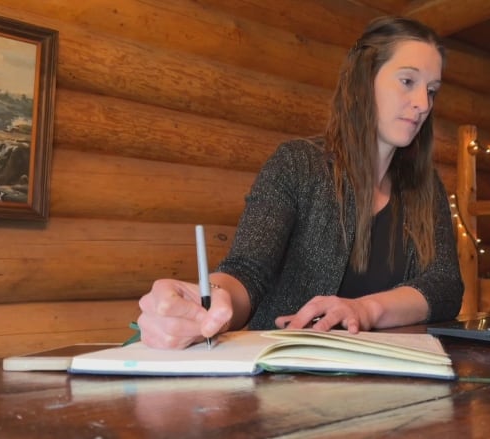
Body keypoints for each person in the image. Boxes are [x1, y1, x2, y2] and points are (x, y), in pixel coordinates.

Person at [137, 16, 464, 349]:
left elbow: (444, 286)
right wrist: (209, 302)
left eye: (432, 91)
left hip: (390, 384)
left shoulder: (427, 187)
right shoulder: (297, 164)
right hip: (286, 383)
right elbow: (247, 270)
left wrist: (365, 309)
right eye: (408, 81)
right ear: (364, 80)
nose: (423, 104)